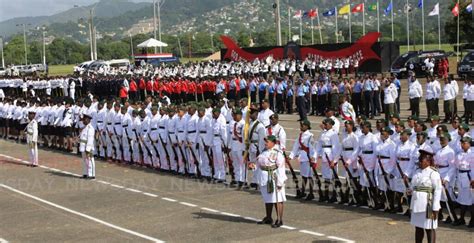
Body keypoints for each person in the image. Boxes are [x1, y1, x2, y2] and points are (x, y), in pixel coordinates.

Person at [409, 147, 442, 243]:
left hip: (427, 205)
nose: (419, 162)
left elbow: (437, 190)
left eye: (421, 159)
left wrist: (435, 207)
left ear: (428, 161)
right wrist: (410, 190)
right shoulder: (417, 171)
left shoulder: (433, 173)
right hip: (416, 204)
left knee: (429, 228)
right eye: (419, 159)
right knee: (418, 228)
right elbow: (414, 185)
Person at [256, 135, 287, 228]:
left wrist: (280, 182)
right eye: (265, 141)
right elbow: (259, 164)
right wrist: (253, 166)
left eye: (268, 141)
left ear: (273, 143)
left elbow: (281, 167)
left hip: (274, 177)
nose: (266, 143)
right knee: (267, 198)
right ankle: (268, 217)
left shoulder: (278, 153)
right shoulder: (263, 152)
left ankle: (279, 219)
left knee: (277, 199)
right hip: (264, 177)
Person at [288, 120, 315, 200]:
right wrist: (291, 156)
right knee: (305, 176)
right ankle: (306, 192)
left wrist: (312, 157)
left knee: (307, 176)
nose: (301, 127)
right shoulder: (300, 135)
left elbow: (312, 148)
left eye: (302, 126)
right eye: (301, 125)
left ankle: (307, 192)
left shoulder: (310, 136)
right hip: (303, 157)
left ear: (307, 126)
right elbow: (295, 147)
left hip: (307, 158)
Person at [452, 137, 474, 227]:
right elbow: (456, 167)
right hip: (460, 177)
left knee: (471, 200)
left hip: (468, 178)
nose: (462, 145)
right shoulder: (459, 154)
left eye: (464, 143)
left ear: (469, 144)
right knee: (461, 199)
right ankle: (461, 219)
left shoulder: (472, 154)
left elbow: (473, 168)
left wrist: (473, 179)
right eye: (461, 143)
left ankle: (473, 220)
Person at [79, 112, 96, 179]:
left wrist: (88, 149)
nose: (83, 121)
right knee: (85, 161)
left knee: (90, 160)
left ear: (88, 120)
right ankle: (85, 173)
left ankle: (92, 174)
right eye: (83, 119)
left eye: (85, 119)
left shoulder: (90, 128)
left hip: (88, 147)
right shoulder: (84, 127)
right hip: (83, 146)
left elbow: (90, 139)